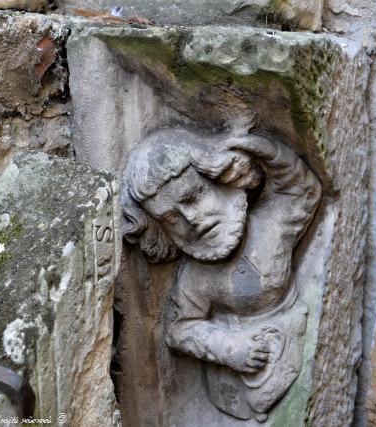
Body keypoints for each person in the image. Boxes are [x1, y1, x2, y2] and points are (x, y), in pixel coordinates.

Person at [121, 128, 321, 421]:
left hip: (292, 346)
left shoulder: (271, 227)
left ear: (222, 178)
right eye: (171, 218)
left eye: (194, 195)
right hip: (230, 390)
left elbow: (304, 189)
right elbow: (179, 329)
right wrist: (228, 348)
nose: (191, 220)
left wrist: (261, 148)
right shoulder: (195, 277)